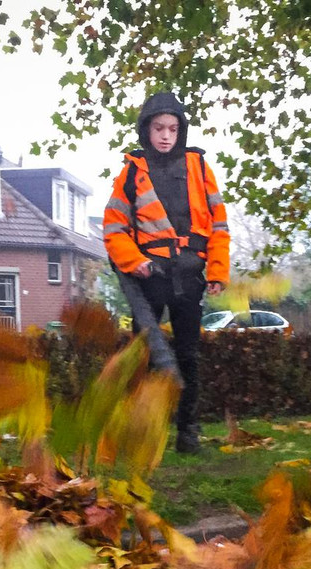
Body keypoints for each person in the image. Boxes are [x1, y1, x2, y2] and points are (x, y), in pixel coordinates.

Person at [103, 91, 230, 454]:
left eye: (173, 128)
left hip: (190, 278)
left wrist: (218, 271)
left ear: (181, 131)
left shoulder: (199, 168)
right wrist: (134, 262)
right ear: (146, 130)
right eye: (158, 128)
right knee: (143, 356)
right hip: (150, 279)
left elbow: (219, 225)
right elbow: (114, 230)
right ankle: (143, 431)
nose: (165, 135)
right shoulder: (131, 172)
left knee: (189, 356)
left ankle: (187, 434)